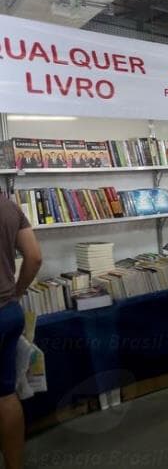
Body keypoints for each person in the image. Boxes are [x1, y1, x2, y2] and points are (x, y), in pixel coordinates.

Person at [0, 193, 42, 469]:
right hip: (8, 312)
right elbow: (35, 257)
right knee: (5, 393)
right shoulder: (7, 204)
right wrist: (17, 291)